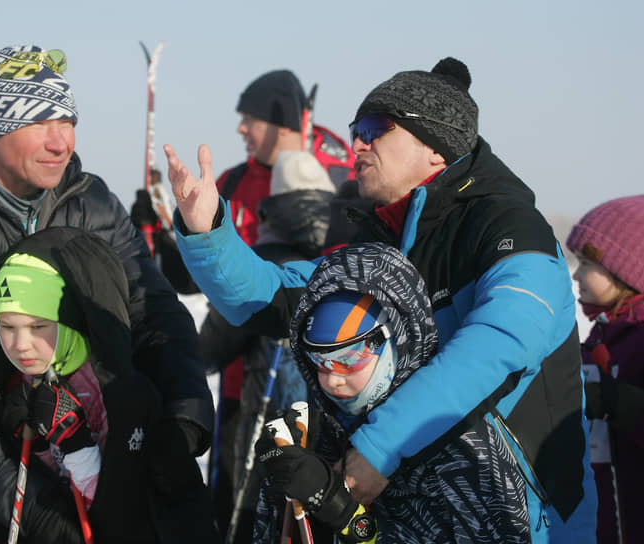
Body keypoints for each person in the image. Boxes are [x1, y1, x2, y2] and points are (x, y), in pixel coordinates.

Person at [164, 56, 597, 541]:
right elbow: (270, 298)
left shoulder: (510, 227)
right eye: (357, 128)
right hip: (410, 517)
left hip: (523, 513)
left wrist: (377, 448)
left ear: (435, 147)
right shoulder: (384, 245)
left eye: (374, 129)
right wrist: (207, 233)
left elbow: (501, 342)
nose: (356, 144)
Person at [0, 45, 214, 543]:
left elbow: (153, 314)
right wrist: (28, 504)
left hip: (97, 469)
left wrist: (183, 420)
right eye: (38, 122)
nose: (62, 141)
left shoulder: (93, 204)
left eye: (68, 120)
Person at [255, 242, 533, 543]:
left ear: (397, 338)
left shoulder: (459, 445)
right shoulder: (321, 431)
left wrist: (347, 516)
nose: (332, 380)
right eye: (318, 361)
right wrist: (282, 492)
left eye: (348, 359)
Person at [0, 227, 219, 542]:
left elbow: (116, 509)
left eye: (38, 326)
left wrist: (76, 443)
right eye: (6, 326)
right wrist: (38, 445)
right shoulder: (25, 379)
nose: (20, 344)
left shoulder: (110, 387)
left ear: (69, 319)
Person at [199, 150, 336, 539]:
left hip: (254, 414)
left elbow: (209, 347)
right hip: (329, 428)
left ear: (274, 206)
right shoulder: (347, 258)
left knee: (247, 517)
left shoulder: (259, 265)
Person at [565, 194, 644, 544]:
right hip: (604, 522)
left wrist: (621, 403)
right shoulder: (600, 337)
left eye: (586, 263)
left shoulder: (638, 341)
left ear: (627, 267)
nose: (577, 274)